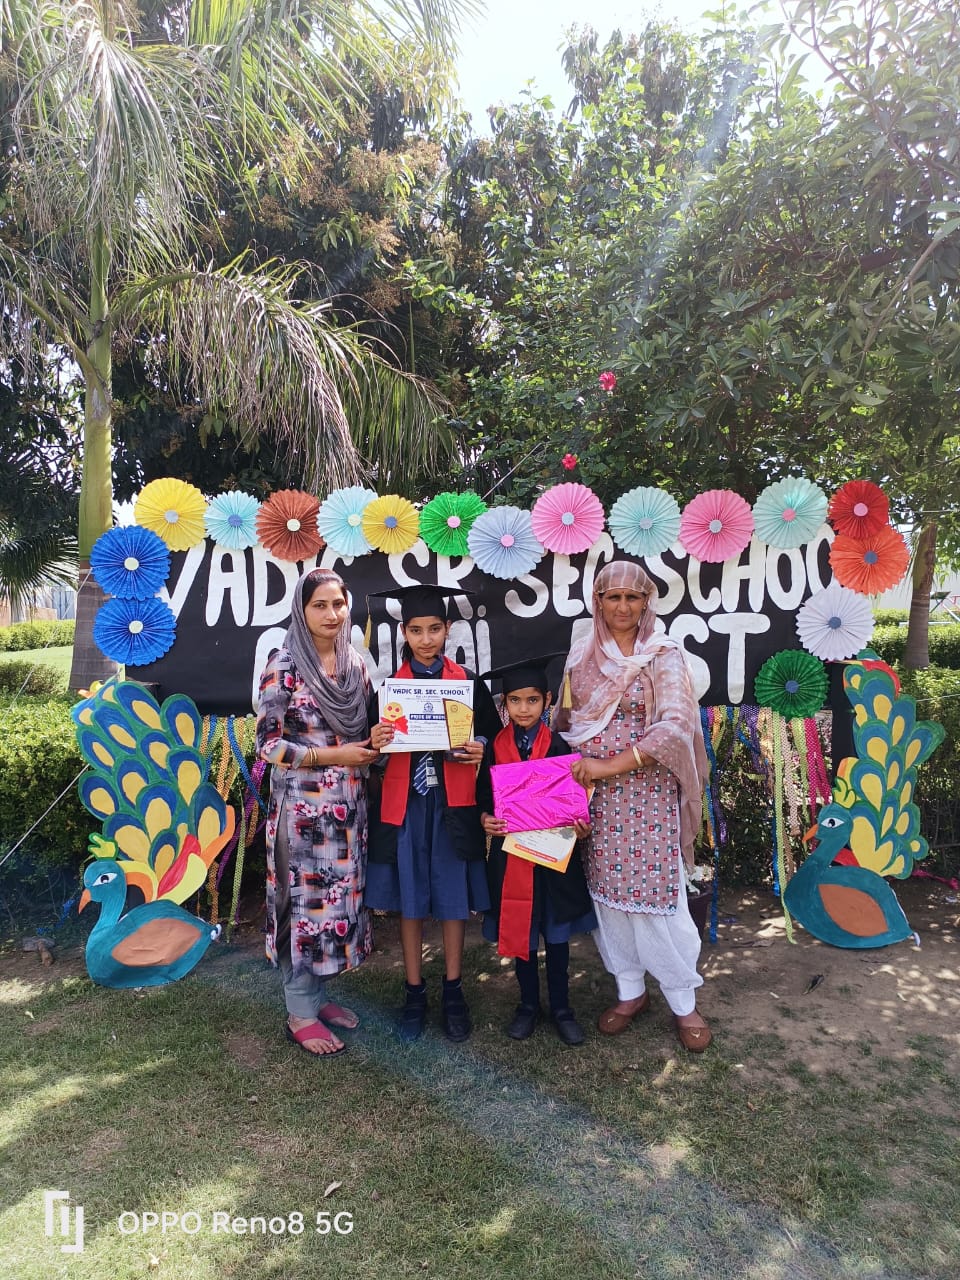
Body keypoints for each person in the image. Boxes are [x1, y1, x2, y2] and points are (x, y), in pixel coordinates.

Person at [557, 560, 713, 1052]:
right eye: (613, 597)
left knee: (657, 898)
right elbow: (565, 721)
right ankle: (630, 992)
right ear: (598, 602)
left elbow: (674, 726)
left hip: (647, 795)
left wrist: (609, 765)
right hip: (596, 799)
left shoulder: (663, 654)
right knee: (607, 897)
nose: (622, 606)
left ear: (647, 602)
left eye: (632, 597)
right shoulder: (582, 653)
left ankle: (683, 1001)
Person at [256, 567, 391, 1057]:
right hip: (303, 816)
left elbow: (360, 732)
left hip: (347, 812)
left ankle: (317, 997)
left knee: (334, 908)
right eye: (320, 605)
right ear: (302, 609)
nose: (332, 614)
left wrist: (376, 740)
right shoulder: (285, 665)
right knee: (303, 908)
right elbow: (269, 745)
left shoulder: (353, 663)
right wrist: (337, 755)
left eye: (338, 604)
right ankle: (300, 1013)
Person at [365, 584, 501, 1043]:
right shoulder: (390, 690)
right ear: (404, 633)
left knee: (452, 898)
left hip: (453, 805)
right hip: (406, 805)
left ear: (448, 630)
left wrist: (480, 745)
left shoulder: (468, 684)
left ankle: (454, 990)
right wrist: (376, 743)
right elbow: (371, 754)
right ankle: (414, 991)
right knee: (411, 898)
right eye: (417, 630)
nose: (426, 640)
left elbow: (493, 739)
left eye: (435, 629)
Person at [477, 655, 596, 1046]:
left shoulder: (560, 746)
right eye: (515, 700)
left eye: (532, 700)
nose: (523, 709)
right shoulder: (495, 748)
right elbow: (483, 798)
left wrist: (580, 825)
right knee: (522, 935)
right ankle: (527, 1005)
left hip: (552, 859)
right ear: (505, 703)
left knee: (556, 937)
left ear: (547, 700)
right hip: (512, 856)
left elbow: (576, 802)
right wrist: (485, 819)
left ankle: (562, 1008)